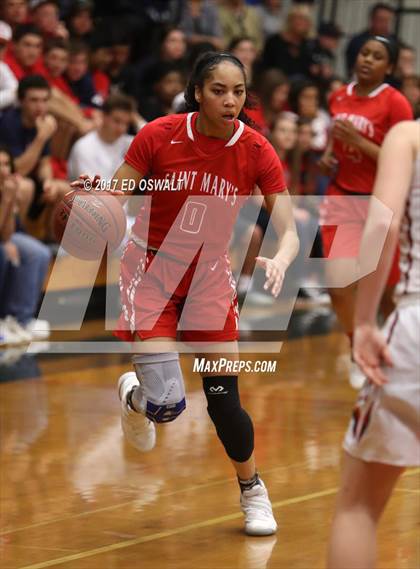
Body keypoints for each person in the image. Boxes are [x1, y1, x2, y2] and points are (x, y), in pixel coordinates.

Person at [72, 51, 299, 536]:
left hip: (209, 279)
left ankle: (253, 491)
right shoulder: (159, 134)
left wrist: (281, 257)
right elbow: (118, 195)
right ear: (198, 91)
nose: (230, 100)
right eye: (219, 90)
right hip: (150, 272)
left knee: (223, 400)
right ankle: (136, 398)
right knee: (168, 406)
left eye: (238, 91)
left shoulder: (257, 149)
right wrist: (92, 200)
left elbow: (290, 226)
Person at [327, 120, 420, 569]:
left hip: (416, 325)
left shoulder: (408, 136)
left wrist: (364, 319)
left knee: (358, 507)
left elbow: (382, 223)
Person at [319, 36, 413, 388]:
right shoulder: (339, 95)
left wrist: (359, 144)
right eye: (364, 53)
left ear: (388, 67)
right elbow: (336, 138)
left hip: (380, 202)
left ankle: (398, 356)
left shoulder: (396, 103)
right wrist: (332, 152)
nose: (368, 60)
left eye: (377, 57)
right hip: (342, 197)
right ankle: (356, 347)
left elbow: (403, 159)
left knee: (389, 297)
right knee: (339, 286)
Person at [0, 145, 51, 344]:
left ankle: (21, 319)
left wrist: (10, 200)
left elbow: (6, 233)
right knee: (3, 254)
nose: (4, 170)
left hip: (3, 236)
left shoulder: (7, 188)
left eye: (6, 164)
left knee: (38, 252)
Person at [68, 94, 134, 180]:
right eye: (117, 121)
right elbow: (90, 189)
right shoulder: (84, 147)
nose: (122, 128)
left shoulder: (129, 142)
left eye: (126, 123)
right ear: (104, 117)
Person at [345, 2, 395, 77]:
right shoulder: (357, 42)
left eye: (388, 21)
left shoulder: (394, 43)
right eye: (381, 20)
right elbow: (352, 69)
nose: (385, 24)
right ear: (372, 19)